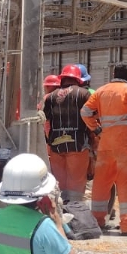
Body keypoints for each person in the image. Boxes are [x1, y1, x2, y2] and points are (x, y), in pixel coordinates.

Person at [81, 62, 127, 235]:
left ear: (114, 73)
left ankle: (97, 222)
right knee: (126, 186)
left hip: (105, 146)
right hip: (125, 146)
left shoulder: (101, 90)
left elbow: (85, 112)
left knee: (101, 185)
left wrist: (96, 129)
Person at [43, 65, 93, 203]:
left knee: (60, 183)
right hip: (78, 145)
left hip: (56, 146)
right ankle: (75, 210)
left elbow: (46, 122)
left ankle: (62, 210)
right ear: (78, 79)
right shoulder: (83, 94)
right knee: (76, 182)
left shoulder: (50, 97)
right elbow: (91, 118)